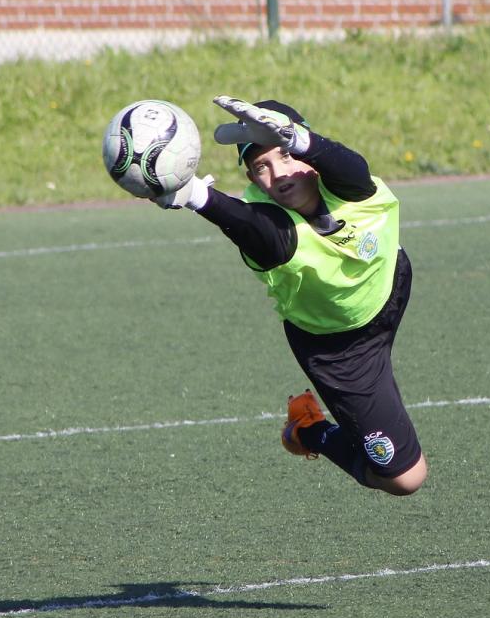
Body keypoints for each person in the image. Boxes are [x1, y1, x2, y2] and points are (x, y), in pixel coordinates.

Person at [151, 96, 428, 496]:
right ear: (250, 178)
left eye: (284, 154)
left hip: (390, 286)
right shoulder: (268, 223)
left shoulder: (347, 182)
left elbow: (351, 167)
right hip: (340, 346)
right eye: (260, 167)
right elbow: (254, 227)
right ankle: (308, 430)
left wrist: (301, 140)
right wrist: (198, 197)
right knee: (404, 478)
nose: (278, 174)